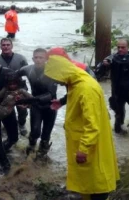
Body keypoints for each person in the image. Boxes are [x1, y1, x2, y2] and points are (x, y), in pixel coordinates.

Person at [44, 53, 119, 200]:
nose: (58, 83)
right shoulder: (76, 83)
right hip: (83, 143)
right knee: (87, 183)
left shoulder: (86, 89)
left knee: (97, 184)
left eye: (57, 79)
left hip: (90, 148)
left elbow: (92, 125)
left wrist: (83, 149)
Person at [16, 48, 58, 157]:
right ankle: (31, 148)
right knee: (35, 131)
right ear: (32, 58)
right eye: (36, 57)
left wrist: (28, 100)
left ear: (46, 59)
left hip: (51, 106)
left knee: (45, 134)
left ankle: (42, 156)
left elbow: (50, 94)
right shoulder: (27, 69)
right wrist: (20, 90)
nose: (38, 60)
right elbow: (13, 75)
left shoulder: (52, 72)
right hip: (36, 106)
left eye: (41, 57)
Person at [0, 38, 29, 136]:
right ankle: (9, 126)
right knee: (5, 111)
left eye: (8, 45)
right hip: (5, 90)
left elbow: (28, 73)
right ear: (0, 47)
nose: (6, 47)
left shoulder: (21, 58)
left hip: (20, 88)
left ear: (12, 46)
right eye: (3, 45)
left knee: (23, 110)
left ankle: (22, 124)